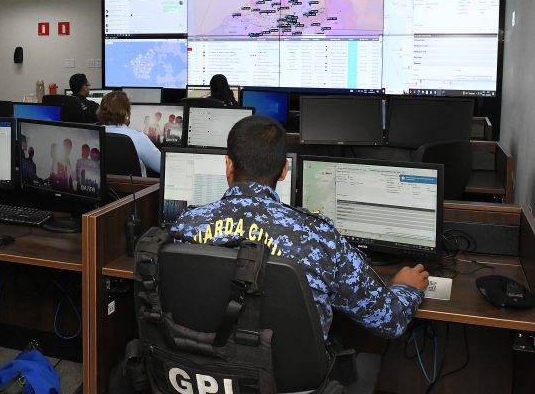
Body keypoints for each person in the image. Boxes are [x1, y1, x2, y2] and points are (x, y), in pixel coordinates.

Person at [170, 115, 428, 341]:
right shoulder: (318, 236)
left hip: (205, 376)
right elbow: (389, 321)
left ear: (228, 165)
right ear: (284, 171)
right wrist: (406, 287)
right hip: (288, 382)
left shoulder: (186, 225)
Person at [97, 91, 161, 176]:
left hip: (104, 188)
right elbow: (163, 167)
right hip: (137, 189)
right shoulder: (138, 138)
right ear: (126, 114)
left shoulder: (94, 134)